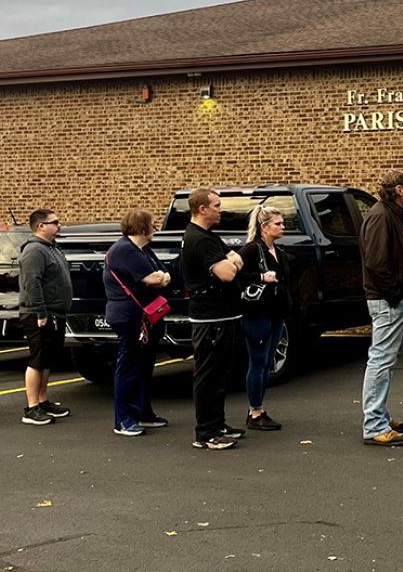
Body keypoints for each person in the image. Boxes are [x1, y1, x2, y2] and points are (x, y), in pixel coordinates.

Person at [359, 171, 403, 448]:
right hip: (387, 302)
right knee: (381, 360)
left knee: (385, 361)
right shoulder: (381, 217)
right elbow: (375, 263)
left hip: (394, 300)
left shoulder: (391, 215)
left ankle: (380, 416)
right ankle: (374, 425)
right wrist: (396, 297)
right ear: (398, 189)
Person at [181, 188, 246, 450]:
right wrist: (234, 260)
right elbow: (227, 272)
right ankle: (206, 432)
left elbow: (230, 261)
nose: (221, 210)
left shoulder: (208, 237)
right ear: (202, 209)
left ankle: (217, 424)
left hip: (223, 315)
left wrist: (232, 260)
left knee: (221, 373)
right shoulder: (199, 239)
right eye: (217, 206)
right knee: (208, 374)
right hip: (210, 319)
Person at [103, 208, 171, 437]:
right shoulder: (125, 250)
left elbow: (163, 273)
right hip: (129, 317)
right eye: (153, 224)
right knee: (129, 367)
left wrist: (160, 278)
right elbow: (153, 278)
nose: (156, 228)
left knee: (144, 367)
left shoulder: (142, 250)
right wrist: (159, 278)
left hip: (145, 317)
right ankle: (123, 419)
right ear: (143, 228)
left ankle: (143, 412)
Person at [239, 203, 292, 432]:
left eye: (282, 223)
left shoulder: (277, 252)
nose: (283, 227)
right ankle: (255, 411)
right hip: (257, 314)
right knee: (258, 362)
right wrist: (261, 276)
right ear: (264, 227)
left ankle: (259, 408)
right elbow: (236, 275)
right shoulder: (252, 250)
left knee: (267, 362)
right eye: (278, 224)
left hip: (276, 314)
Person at [17, 209, 73, 426]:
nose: (59, 226)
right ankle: (31, 408)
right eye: (55, 222)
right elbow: (32, 283)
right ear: (41, 226)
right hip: (39, 314)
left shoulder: (52, 248)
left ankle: (43, 400)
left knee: (48, 359)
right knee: (38, 360)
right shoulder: (34, 251)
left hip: (56, 312)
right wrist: (41, 312)